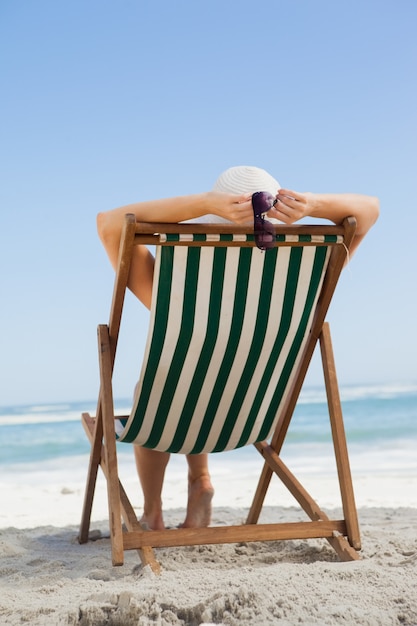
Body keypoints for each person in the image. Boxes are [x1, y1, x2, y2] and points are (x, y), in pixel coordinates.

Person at [96, 165, 379, 531]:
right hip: (253, 416)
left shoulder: (179, 286)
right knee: (202, 378)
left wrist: (201, 203)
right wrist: (312, 205)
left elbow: (108, 223)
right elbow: (370, 209)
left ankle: (153, 513)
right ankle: (201, 480)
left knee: (157, 391)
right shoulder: (307, 278)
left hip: (173, 410)